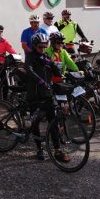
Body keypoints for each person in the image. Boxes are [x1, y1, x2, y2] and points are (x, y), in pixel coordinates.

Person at [21, 32, 69, 162]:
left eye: (44, 46)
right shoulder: (30, 56)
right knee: (35, 123)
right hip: (35, 94)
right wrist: (40, 80)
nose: (42, 49)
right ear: (35, 46)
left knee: (53, 121)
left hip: (47, 94)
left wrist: (65, 75)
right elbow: (29, 70)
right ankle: (39, 149)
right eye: (40, 47)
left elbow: (56, 70)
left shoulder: (46, 55)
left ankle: (58, 150)